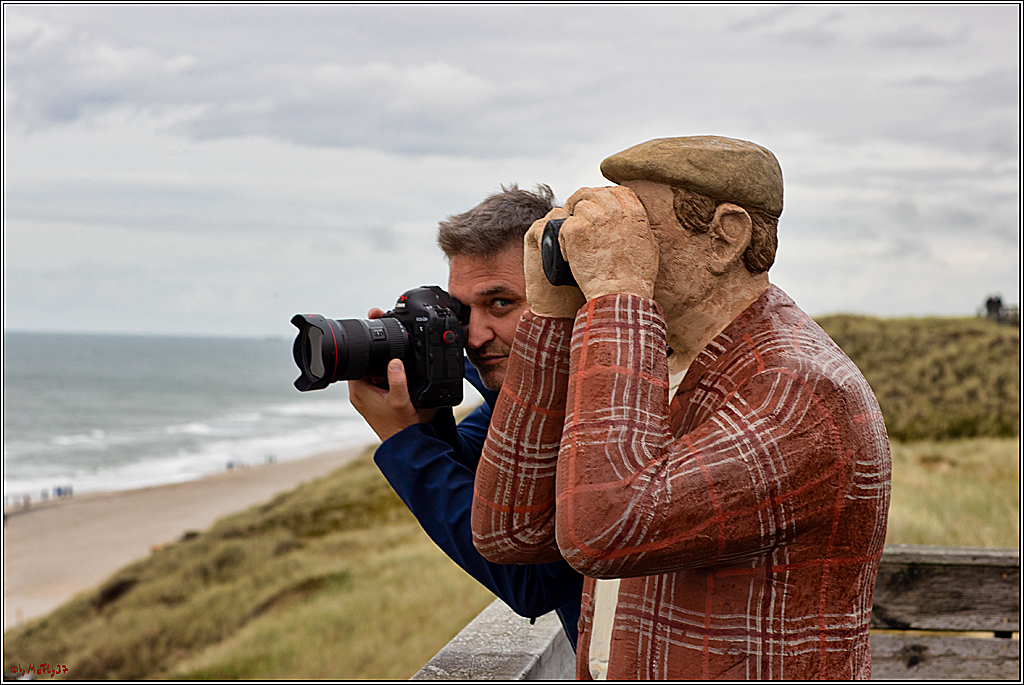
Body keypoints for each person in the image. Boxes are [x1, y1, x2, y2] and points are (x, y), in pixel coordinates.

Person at [472, 137, 892, 679]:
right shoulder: (658, 364)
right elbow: (508, 528)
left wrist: (619, 296)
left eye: (638, 227)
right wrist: (552, 314)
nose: (608, 246)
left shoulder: (800, 389)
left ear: (725, 237)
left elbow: (605, 527)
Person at [347, 184, 584, 649]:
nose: (473, 337)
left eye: (500, 304)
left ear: (568, 298)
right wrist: (426, 407)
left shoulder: (600, 414)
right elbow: (476, 472)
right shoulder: (512, 400)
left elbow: (532, 582)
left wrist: (404, 442)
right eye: (460, 310)